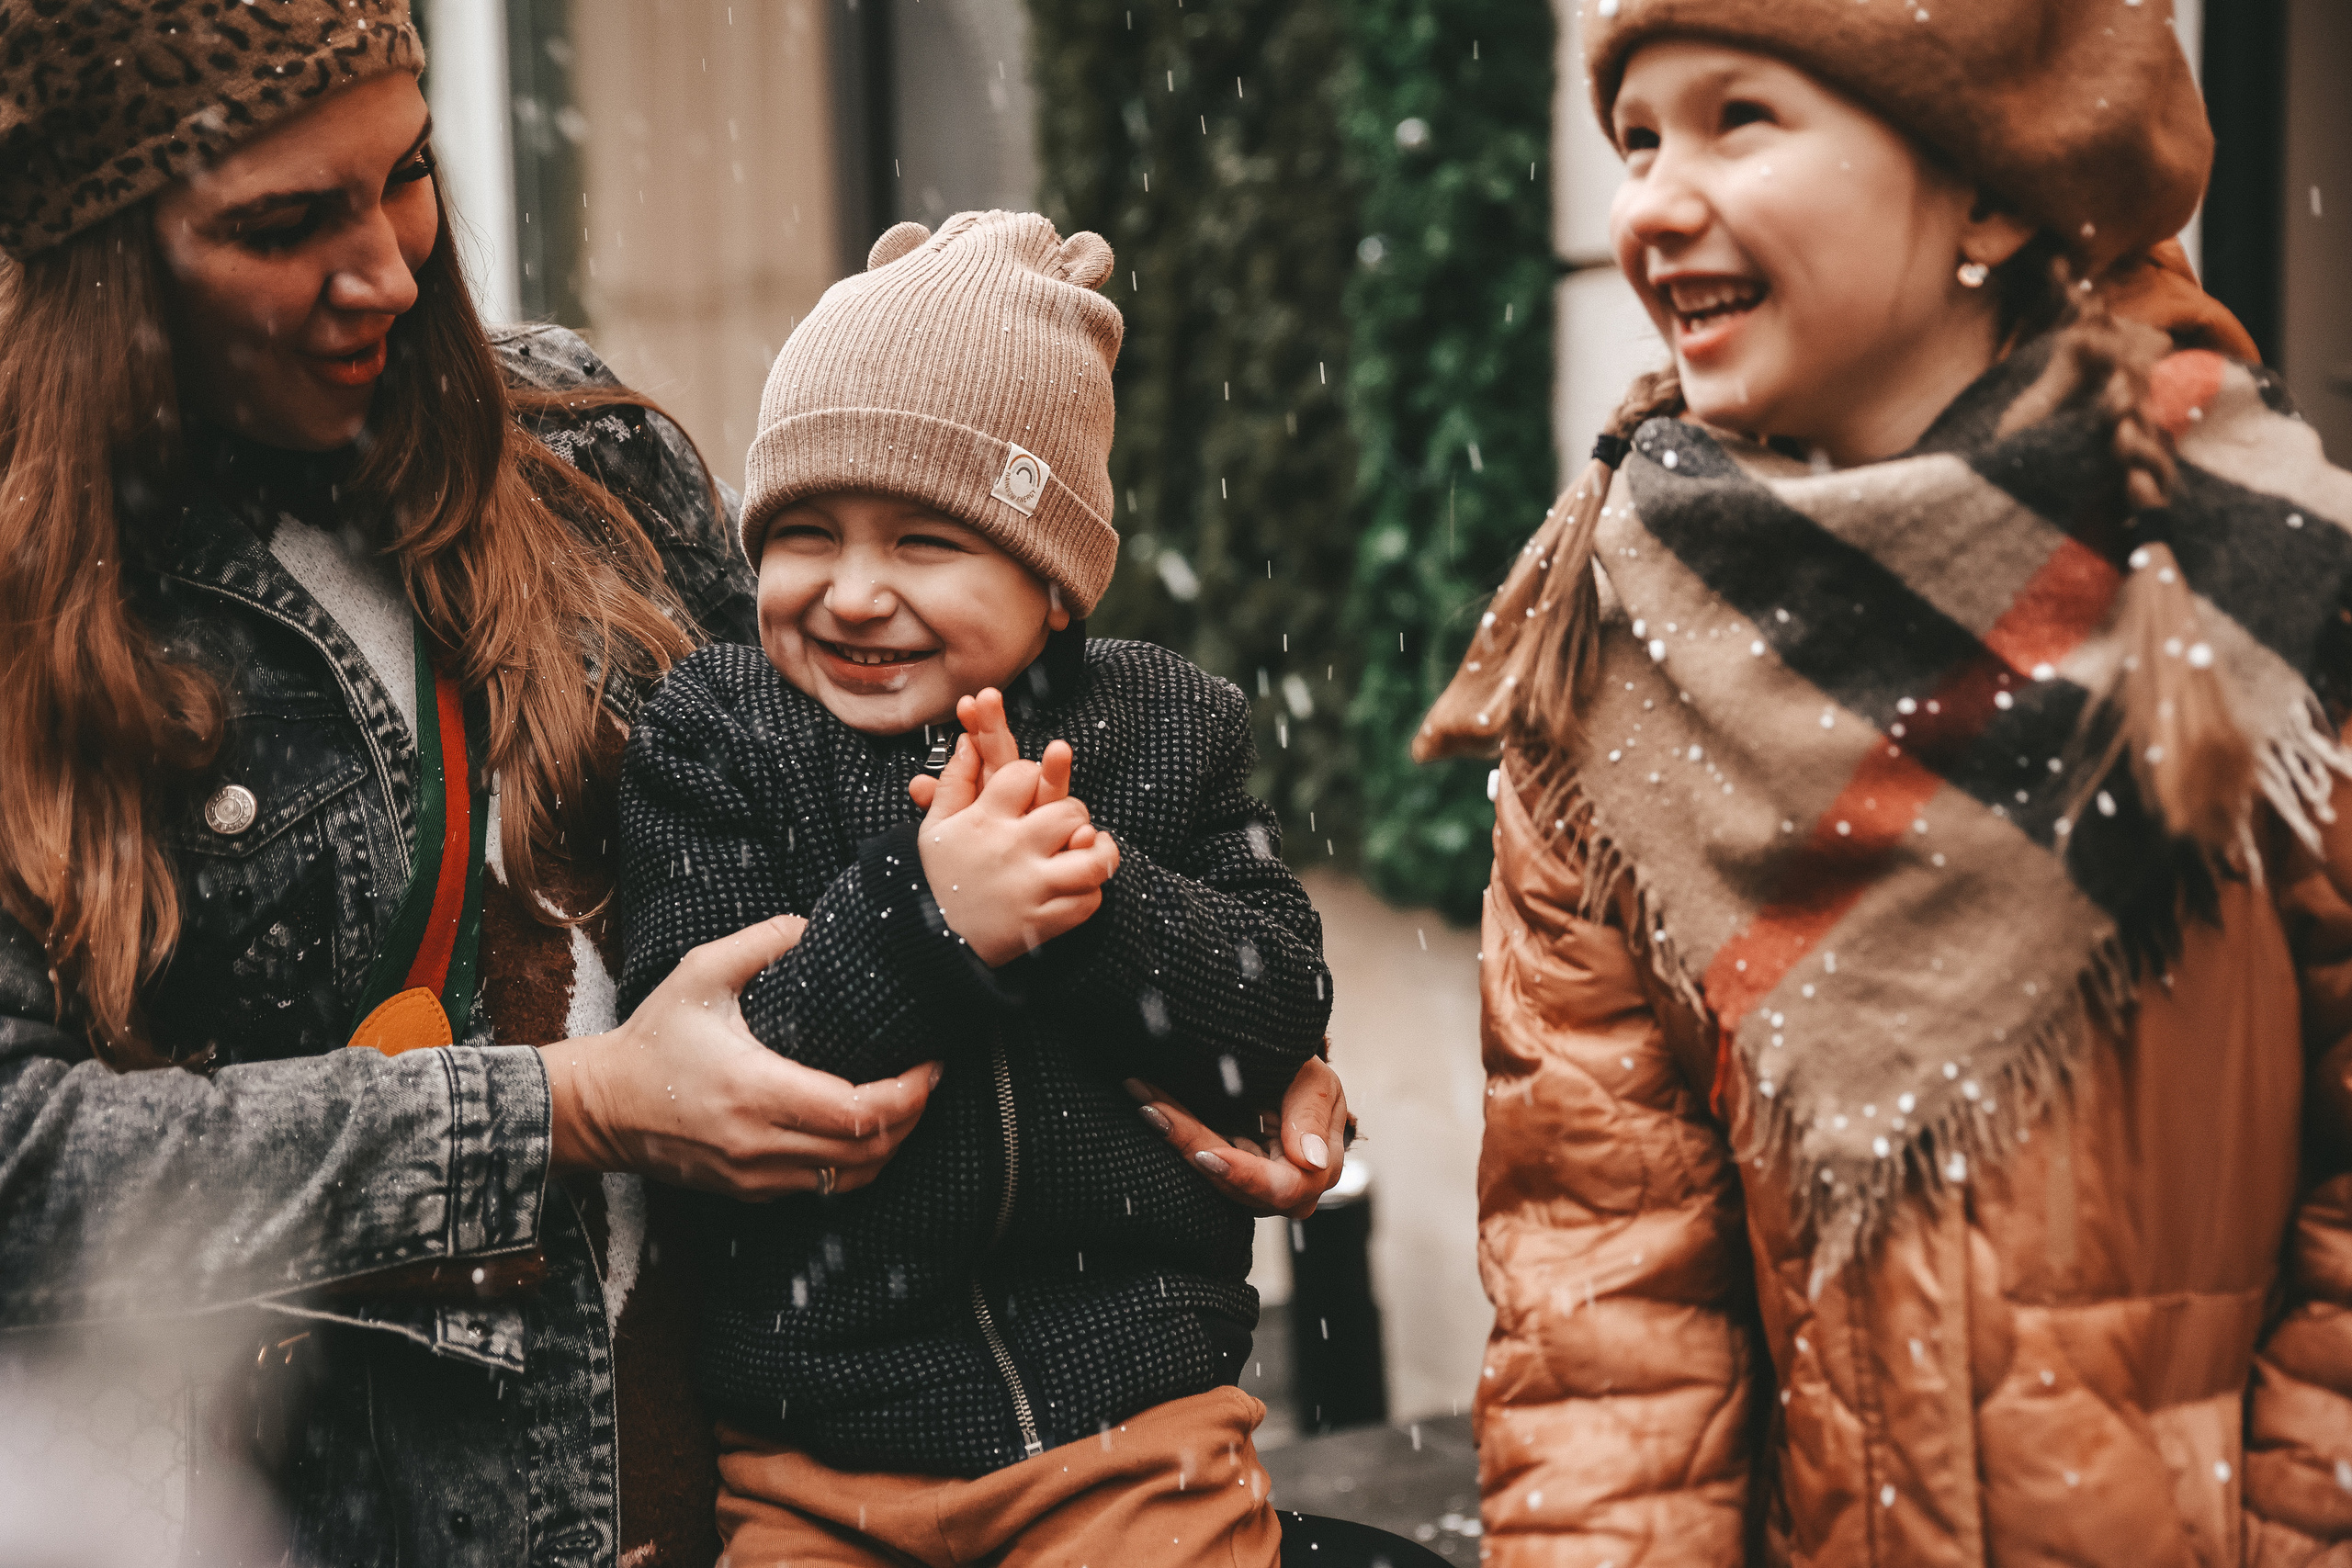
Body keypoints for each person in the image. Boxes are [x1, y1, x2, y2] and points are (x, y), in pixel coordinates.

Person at [0, 9, 1349, 1562]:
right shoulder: (40, 607)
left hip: (763, 1478)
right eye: (285, 223)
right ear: (99, 254)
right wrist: (572, 1109)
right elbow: (28, 1164)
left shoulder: (579, 461)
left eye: (407, 176)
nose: (387, 271)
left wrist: (1225, 1029)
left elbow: (828, 794)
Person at [1419, 1, 2352, 1562]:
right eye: (1638, 138)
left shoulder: (2256, 592)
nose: (1652, 202)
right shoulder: (1616, 655)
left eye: (1740, 120)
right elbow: (1607, 1319)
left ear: (1988, 194)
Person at [616, 209, 1340, 1567]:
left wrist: (1081, 901)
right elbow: (715, 1067)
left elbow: (1276, 1007)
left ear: (1054, 582)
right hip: (814, 1452)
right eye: (807, 531)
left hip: (1131, 1430)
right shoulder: (717, 737)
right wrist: (929, 919)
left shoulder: (1166, 728)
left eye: (924, 542)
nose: (853, 592)